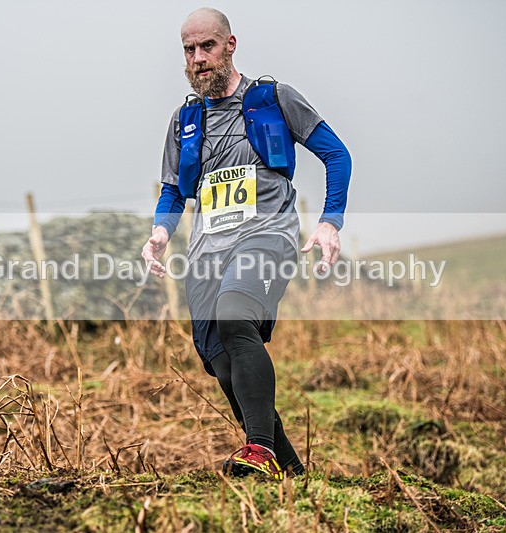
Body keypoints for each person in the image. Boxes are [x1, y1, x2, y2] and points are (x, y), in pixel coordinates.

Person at [142, 7, 351, 480]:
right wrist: (160, 231)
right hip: (206, 251)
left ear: (230, 45)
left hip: (267, 234)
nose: (198, 59)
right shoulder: (184, 121)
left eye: (207, 47)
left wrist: (329, 221)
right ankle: (292, 470)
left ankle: (257, 449)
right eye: (189, 50)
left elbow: (336, 155)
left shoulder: (273, 98)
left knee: (238, 317)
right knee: (221, 363)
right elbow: (174, 191)